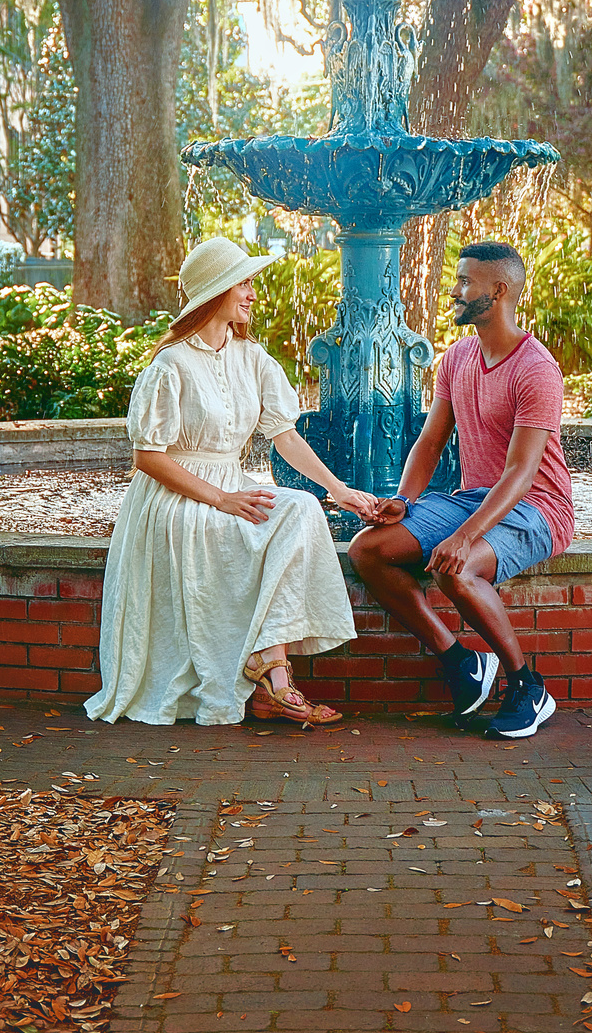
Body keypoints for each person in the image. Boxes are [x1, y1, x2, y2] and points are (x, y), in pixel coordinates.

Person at [86, 236, 378, 729]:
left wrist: (338, 489)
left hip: (229, 483)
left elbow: (284, 436)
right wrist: (221, 499)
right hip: (175, 496)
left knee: (301, 510)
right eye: (242, 282)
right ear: (215, 290)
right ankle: (275, 681)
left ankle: (268, 663)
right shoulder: (171, 364)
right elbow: (148, 458)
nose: (251, 293)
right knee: (245, 528)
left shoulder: (252, 357)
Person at [349, 241, 574, 740]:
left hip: (537, 505)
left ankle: (527, 686)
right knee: (369, 550)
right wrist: (404, 500)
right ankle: (461, 663)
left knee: (460, 570)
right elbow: (430, 442)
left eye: (465, 281)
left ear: (498, 291)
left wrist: (466, 537)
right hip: (477, 498)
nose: (454, 290)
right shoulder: (457, 358)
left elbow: (520, 471)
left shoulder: (536, 368)